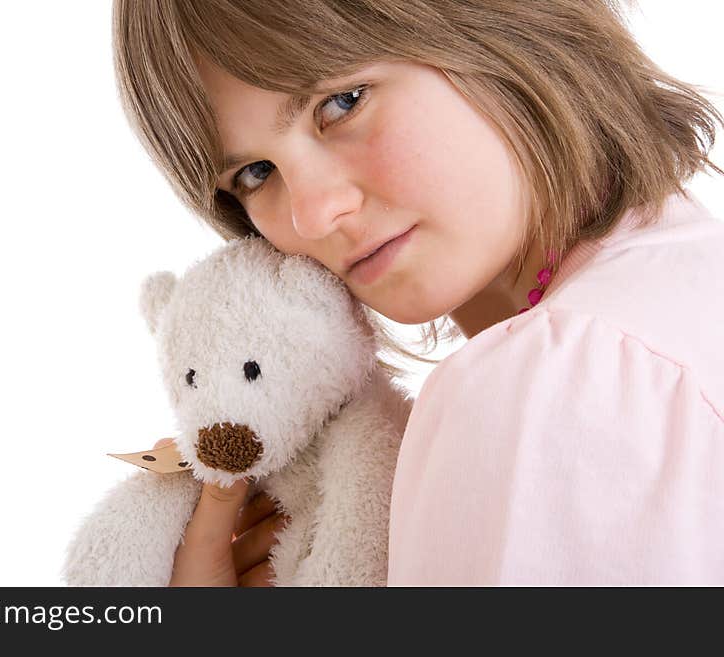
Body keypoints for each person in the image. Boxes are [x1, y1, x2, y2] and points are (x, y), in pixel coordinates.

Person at [113, 0, 724, 585]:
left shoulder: (545, 384)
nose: (314, 214)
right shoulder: (684, 281)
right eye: (255, 174)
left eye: (342, 103)